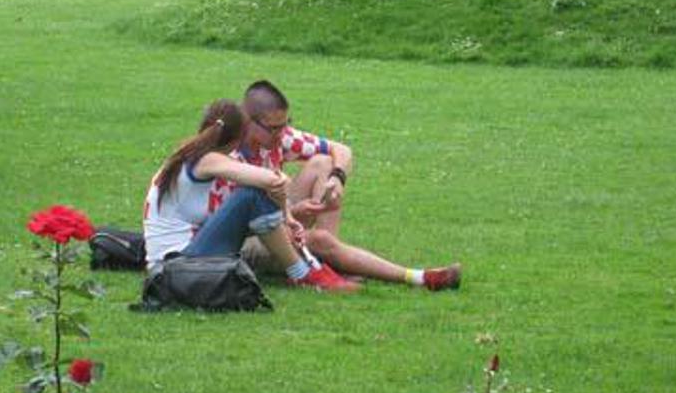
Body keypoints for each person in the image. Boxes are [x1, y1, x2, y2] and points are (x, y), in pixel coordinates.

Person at [207, 81, 461, 291]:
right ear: (249, 121)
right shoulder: (228, 158)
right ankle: (419, 278)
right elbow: (228, 226)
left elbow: (341, 150)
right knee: (319, 239)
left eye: (285, 124)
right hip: (236, 243)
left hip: (273, 218)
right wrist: (292, 213)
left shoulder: (279, 137)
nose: (281, 134)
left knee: (323, 163)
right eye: (274, 128)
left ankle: (326, 261)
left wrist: (337, 178)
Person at [143, 99, 357, 292]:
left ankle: (310, 268)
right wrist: (288, 213)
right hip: (178, 268)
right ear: (238, 137)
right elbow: (276, 180)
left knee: (255, 192)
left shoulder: (190, 153)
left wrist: (287, 215)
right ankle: (302, 273)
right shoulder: (208, 159)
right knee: (252, 194)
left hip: (172, 267)